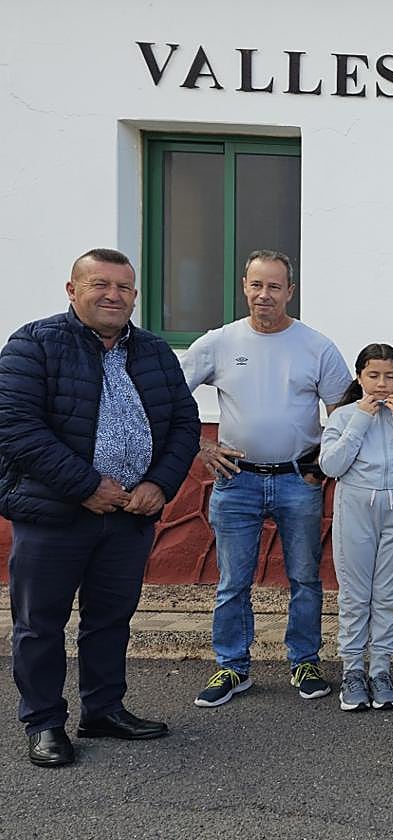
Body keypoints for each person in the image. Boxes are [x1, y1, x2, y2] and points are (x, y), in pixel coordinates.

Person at [0, 247, 199, 768]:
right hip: (54, 513)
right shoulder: (33, 345)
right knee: (39, 624)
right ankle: (44, 722)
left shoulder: (154, 352)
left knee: (110, 618)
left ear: (134, 295)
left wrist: (160, 484)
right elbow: (16, 427)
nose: (113, 295)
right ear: (73, 290)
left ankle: (104, 709)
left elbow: (184, 423)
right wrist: (86, 485)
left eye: (123, 287)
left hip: (130, 516)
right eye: (100, 285)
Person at [184, 250, 353, 707]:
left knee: (304, 577)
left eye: (274, 286)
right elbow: (173, 398)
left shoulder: (316, 346)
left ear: (290, 292)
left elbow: (341, 411)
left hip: (299, 479)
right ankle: (232, 668)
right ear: (244, 286)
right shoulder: (218, 343)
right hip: (236, 480)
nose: (264, 295)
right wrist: (201, 447)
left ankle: (304, 661)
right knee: (233, 581)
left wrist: (323, 464)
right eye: (257, 285)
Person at [319, 343, 393, 712]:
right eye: (373, 375)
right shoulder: (344, 416)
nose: (382, 384)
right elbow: (331, 465)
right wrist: (360, 420)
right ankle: (352, 670)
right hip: (355, 510)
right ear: (360, 376)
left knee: (390, 594)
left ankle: (380, 670)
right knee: (355, 593)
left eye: (390, 376)